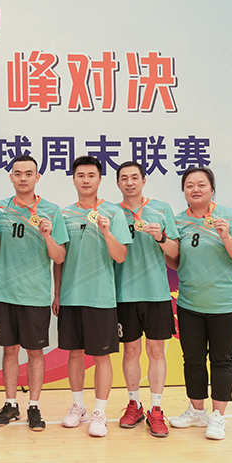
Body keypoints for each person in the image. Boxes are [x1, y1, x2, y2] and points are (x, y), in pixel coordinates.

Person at [167, 167, 232, 440]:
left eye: (201, 184)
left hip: (225, 304)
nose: (195, 189)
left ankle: (218, 417)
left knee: (222, 359)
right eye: (189, 185)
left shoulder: (230, 217)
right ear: (184, 190)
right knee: (192, 360)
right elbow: (176, 261)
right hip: (189, 303)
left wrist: (226, 236)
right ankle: (196, 411)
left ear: (212, 189)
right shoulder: (178, 221)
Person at [53, 155, 132, 437]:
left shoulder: (114, 213)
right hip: (71, 296)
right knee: (74, 353)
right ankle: (78, 406)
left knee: (101, 357)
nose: (86, 180)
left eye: (91, 175)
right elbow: (59, 259)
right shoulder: (63, 214)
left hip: (101, 297)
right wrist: (57, 293)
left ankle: (100, 412)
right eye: (81, 175)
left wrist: (107, 232)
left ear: (99, 179)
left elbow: (121, 256)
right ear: (74, 179)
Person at [0, 155, 68, 431]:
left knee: (35, 353)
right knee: (9, 351)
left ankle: (34, 406)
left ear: (37, 177)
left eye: (28, 173)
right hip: (4, 293)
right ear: (11, 177)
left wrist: (47, 235)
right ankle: (11, 404)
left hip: (35, 295)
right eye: (18, 173)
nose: (23, 178)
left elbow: (59, 257)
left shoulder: (51, 211)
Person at [114, 161, 180, 437]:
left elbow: (175, 254)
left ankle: (156, 409)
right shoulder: (112, 213)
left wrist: (161, 237)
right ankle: (134, 405)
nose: (129, 182)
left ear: (144, 180)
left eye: (134, 177)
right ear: (118, 183)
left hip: (156, 293)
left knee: (156, 352)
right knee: (130, 352)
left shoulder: (162, 209)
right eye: (124, 178)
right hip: (124, 293)